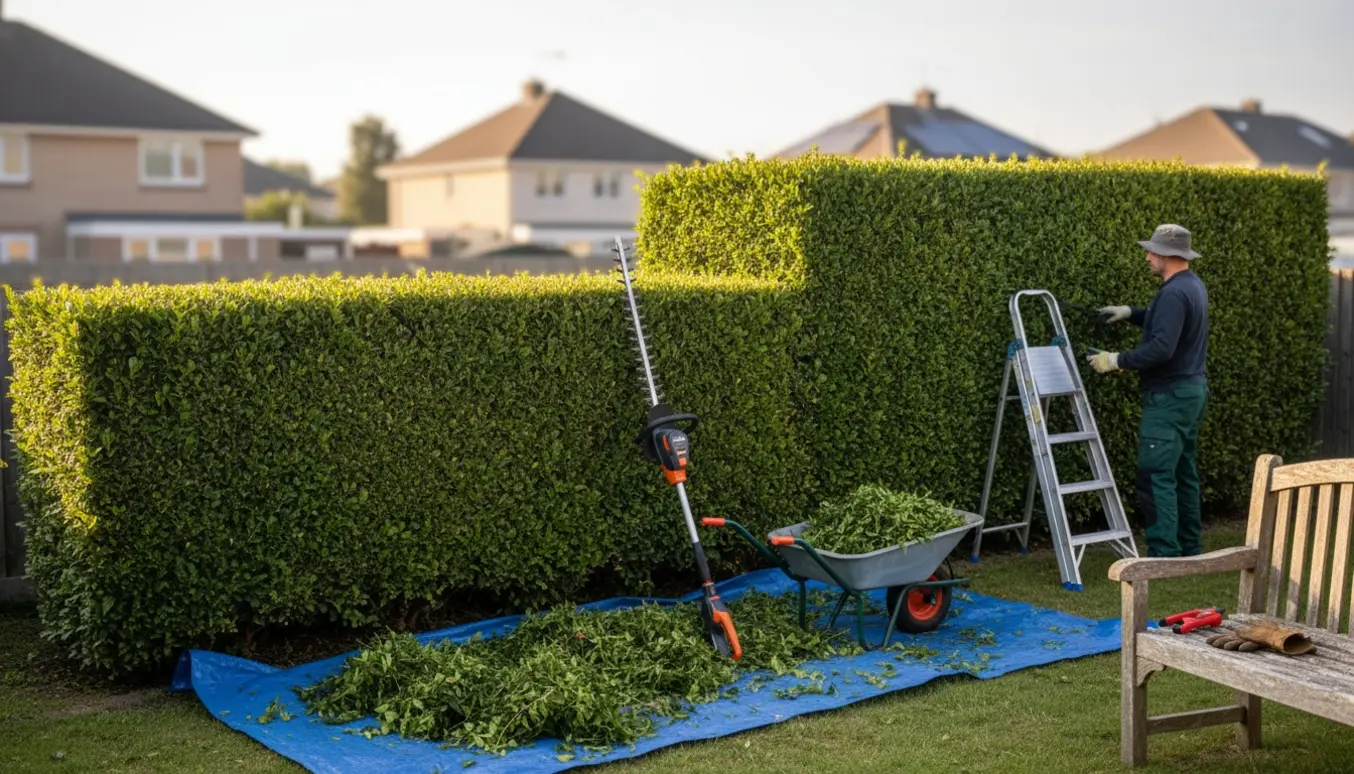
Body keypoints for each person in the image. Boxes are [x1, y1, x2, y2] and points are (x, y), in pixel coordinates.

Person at [1085, 224, 1209, 558]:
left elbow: (1162, 348)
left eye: (1152, 251)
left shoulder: (1173, 293)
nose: (1147, 256)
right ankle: (1190, 547)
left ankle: (1163, 553)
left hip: (1168, 398)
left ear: (1169, 255)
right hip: (1189, 392)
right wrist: (1131, 313)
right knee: (1183, 474)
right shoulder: (1191, 286)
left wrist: (1115, 359)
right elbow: (1166, 323)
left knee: (1156, 475)